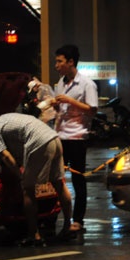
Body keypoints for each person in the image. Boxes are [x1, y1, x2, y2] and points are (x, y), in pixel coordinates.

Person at [0, 112, 73, 247]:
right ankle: (67, 227)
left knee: (28, 189)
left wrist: (20, 177)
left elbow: (6, 157)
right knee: (58, 183)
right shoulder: (5, 119)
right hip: (54, 137)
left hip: (39, 141)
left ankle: (33, 235)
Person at [52, 44, 98, 236]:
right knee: (55, 180)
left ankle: (78, 220)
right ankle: (55, 217)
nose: (56, 65)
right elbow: (58, 110)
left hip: (77, 137)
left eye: (59, 61)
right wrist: (53, 104)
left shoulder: (87, 84)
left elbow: (93, 109)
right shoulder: (60, 83)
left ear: (71, 62)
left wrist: (70, 101)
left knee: (78, 180)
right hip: (60, 136)